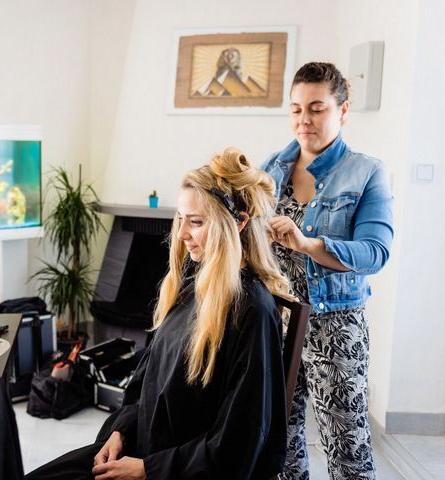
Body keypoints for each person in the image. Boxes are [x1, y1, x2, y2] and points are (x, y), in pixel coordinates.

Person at [26, 148, 289, 479]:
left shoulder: (251, 311)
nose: (181, 234)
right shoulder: (191, 287)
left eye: (196, 222)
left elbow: (240, 442)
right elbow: (145, 381)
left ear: (238, 223)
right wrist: (121, 430)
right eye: (181, 219)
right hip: (141, 449)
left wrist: (148, 470)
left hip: (174, 470)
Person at [262, 62, 394, 479]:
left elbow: (375, 252)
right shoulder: (271, 168)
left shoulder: (367, 172)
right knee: (280, 440)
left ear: (343, 110)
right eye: (296, 108)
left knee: (347, 447)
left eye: (317, 108)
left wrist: (306, 243)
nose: (304, 120)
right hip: (278, 322)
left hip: (337, 328)